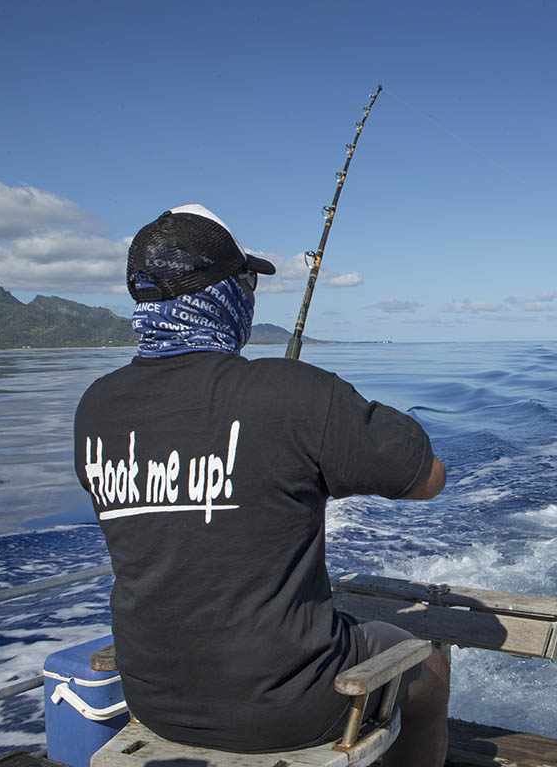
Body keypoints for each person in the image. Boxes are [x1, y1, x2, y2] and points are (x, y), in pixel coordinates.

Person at [74, 204, 449, 765]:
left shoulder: (95, 406)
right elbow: (427, 480)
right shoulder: (295, 394)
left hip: (155, 700)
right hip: (292, 708)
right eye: (246, 281)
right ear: (221, 293)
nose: (250, 296)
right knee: (432, 665)